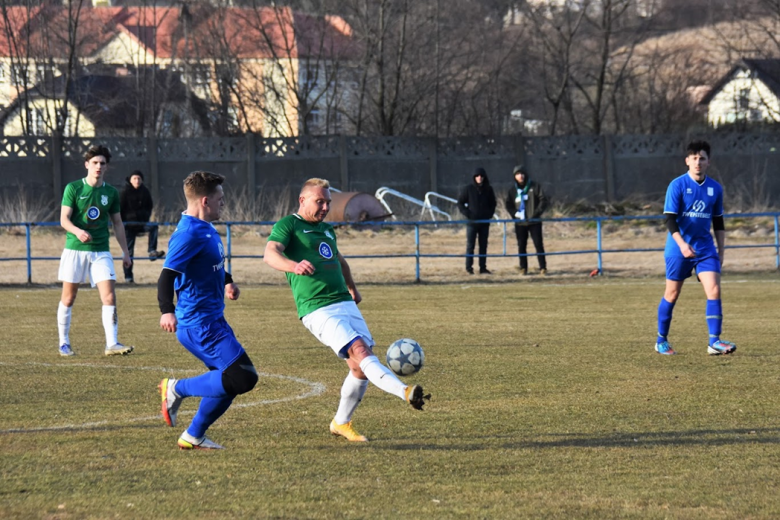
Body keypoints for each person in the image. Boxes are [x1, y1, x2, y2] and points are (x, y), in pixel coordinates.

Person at [263, 178, 430, 443]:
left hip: (344, 303)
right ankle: (406, 392)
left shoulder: (327, 231)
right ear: (303, 200)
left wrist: (352, 288)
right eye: (320, 201)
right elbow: (270, 253)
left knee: (360, 368)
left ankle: (341, 423)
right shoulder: (289, 225)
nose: (325, 207)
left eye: (328, 202)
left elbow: (340, 261)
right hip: (317, 308)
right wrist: (293, 266)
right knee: (360, 351)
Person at [156, 171, 257, 450]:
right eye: (220, 199)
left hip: (213, 320)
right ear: (204, 201)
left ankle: (193, 436)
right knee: (243, 376)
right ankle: (176, 388)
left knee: (228, 381)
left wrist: (226, 281)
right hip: (198, 325)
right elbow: (166, 276)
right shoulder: (188, 234)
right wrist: (167, 310)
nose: (223, 203)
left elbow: (210, 263)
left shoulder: (206, 228)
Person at [655, 140, 736, 356]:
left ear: (709, 162)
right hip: (678, 248)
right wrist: (682, 245)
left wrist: (721, 251)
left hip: (705, 248)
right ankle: (661, 340)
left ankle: (714, 342)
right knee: (672, 294)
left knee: (714, 290)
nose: (698, 162)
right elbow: (669, 220)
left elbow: (718, 222)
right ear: (687, 161)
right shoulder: (677, 185)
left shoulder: (715, 188)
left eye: (702, 158)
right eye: (694, 158)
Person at [56, 145, 134, 357]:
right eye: (95, 163)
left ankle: (112, 343)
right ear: (87, 165)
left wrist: (126, 253)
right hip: (75, 250)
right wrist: (77, 231)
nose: (98, 166)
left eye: (102, 163)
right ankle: (64, 342)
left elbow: (117, 224)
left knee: (109, 297)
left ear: (106, 167)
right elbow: (64, 219)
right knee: (69, 298)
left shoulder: (111, 193)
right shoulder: (73, 188)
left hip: (101, 251)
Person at [120, 170, 165, 283]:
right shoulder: (124, 192)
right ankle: (128, 278)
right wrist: (125, 222)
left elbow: (149, 207)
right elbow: (119, 210)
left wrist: (143, 217)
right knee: (128, 253)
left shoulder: (145, 192)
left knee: (153, 226)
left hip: (141, 223)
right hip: (128, 226)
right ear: (130, 180)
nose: (137, 181)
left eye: (139, 178)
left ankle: (152, 251)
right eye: (134, 178)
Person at [504, 165, 549, 275]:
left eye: (522, 173)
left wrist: (536, 213)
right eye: (518, 174)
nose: (520, 176)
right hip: (520, 223)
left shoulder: (535, 186)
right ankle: (523, 268)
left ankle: (543, 267)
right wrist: (515, 214)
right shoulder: (512, 190)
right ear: (515, 176)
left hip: (534, 222)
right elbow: (508, 204)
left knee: (538, 244)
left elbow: (543, 200)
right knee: (521, 245)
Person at [457, 167, 497, 274]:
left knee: (483, 245)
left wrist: (489, 214)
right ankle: (469, 268)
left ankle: (483, 267)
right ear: (474, 177)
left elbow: (493, 203)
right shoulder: (468, 189)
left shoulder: (489, 189)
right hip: (472, 223)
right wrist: (468, 214)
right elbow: (460, 203)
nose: (479, 178)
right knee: (470, 245)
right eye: (477, 176)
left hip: (484, 223)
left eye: (481, 176)